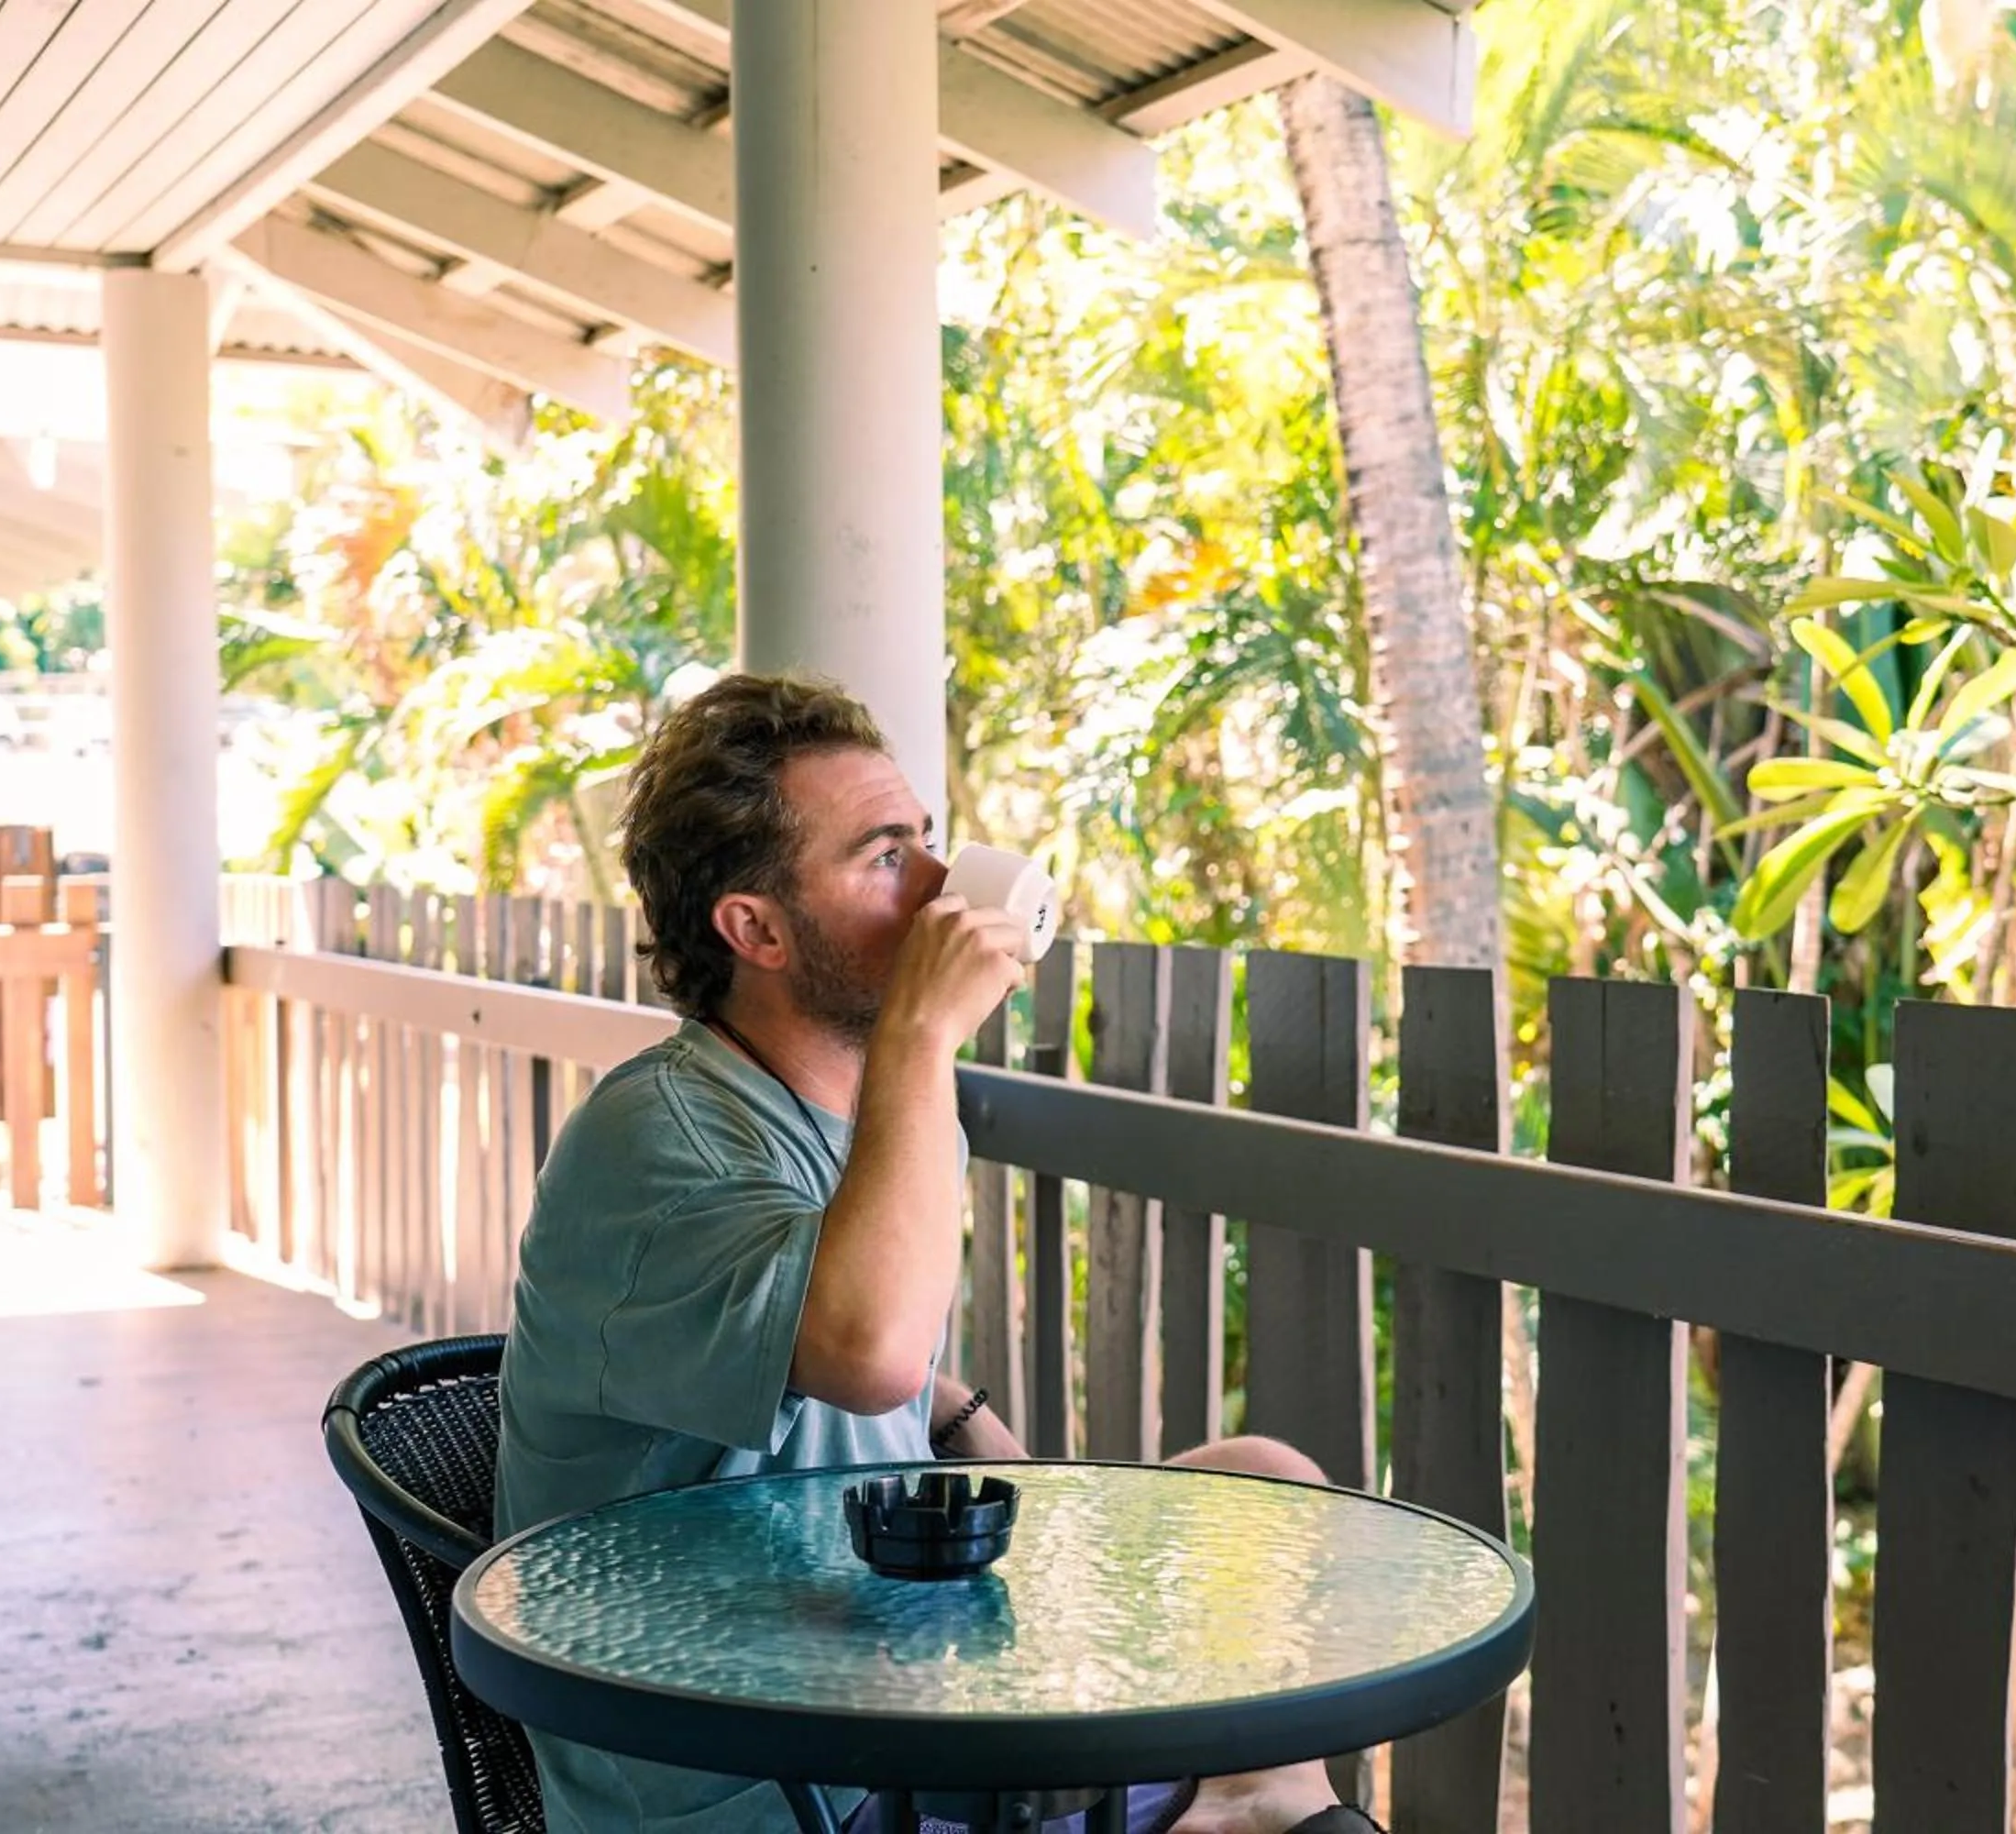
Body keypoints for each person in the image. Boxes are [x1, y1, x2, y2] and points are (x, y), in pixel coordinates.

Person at [494, 673, 1379, 1834]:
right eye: (882, 856)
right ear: (755, 927)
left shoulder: (843, 1110)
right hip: (764, 1765)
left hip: (887, 1658)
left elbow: (816, 1342)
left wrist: (956, 1419)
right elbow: (861, 1348)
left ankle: (1251, 1806)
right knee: (1255, 1756)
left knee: (1268, 1485)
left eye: (926, 840)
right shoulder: (658, 1136)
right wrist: (921, 1031)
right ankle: (1252, 1811)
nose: (937, 888)